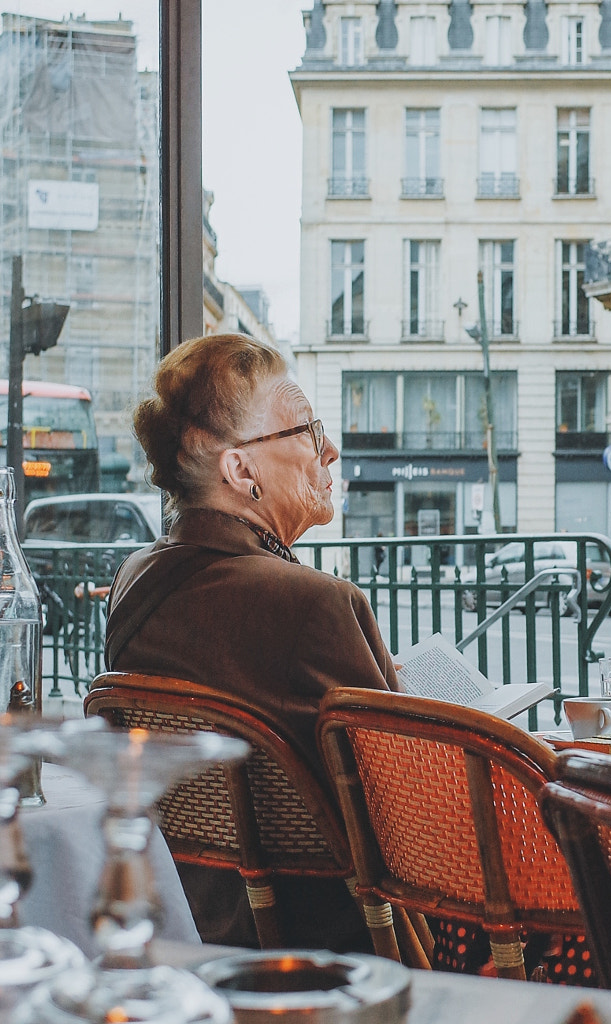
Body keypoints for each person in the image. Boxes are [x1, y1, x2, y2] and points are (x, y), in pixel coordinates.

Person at [100, 333, 400, 952]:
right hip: (346, 946)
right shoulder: (317, 604)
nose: (332, 451)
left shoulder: (134, 581)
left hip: (200, 927)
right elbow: (408, 814)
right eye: (309, 432)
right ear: (240, 468)